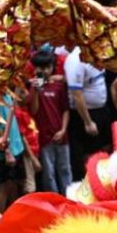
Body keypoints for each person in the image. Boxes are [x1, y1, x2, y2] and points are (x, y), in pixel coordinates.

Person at [29, 52, 71, 194]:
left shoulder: (59, 86)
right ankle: (54, 199)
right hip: (44, 136)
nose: (45, 71)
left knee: (65, 168)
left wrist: (63, 130)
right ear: (35, 69)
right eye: (41, 68)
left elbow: (65, 110)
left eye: (47, 67)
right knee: (49, 173)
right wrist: (35, 91)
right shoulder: (33, 87)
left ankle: (69, 196)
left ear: (52, 67)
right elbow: (34, 110)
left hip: (61, 135)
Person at [65, 47, 111, 175]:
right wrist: (88, 122)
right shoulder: (75, 60)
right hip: (85, 114)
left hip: (101, 109)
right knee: (89, 154)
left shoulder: (97, 53)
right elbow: (76, 93)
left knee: (105, 148)